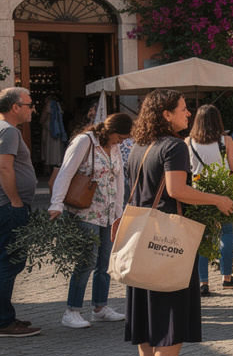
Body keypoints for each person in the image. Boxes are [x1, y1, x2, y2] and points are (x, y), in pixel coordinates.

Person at [124, 90, 233, 356]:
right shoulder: (173, 146)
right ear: (165, 115)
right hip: (167, 241)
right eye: (183, 110)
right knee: (172, 315)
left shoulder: (139, 147)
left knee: (147, 316)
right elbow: (177, 190)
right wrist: (218, 199)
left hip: (141, 236)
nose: (188, 115)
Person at [49, 113, 133, 329]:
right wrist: (56, 204)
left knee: (105, 259)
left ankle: (100, 307)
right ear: (111, 131)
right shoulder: (84, 142)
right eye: (120, 137)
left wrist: (118, 212)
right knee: (87, 259)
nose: (121, 142)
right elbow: (66, 173)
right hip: (84, 210)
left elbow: (119, 179)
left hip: (106, 212)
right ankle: (72, 310)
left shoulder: (112, 147)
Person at [188, 105, 233, 296]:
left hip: (198, 194)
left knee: (203, 237)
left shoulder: (189, 141)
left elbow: (187, 169)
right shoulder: (225, 140)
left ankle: (203, 283)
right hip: (222, 191)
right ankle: (227, 278)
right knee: (226, 232)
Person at [0, 88, 40, 338]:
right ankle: (5, 321)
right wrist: (15, 201)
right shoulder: (9, 131)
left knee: (6, 262)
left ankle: (5, 314)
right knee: (10, 263)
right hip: (9, 207)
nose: (32, 109)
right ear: (15, 107)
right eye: (29, 104)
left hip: (6, 206)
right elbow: (4, 167)